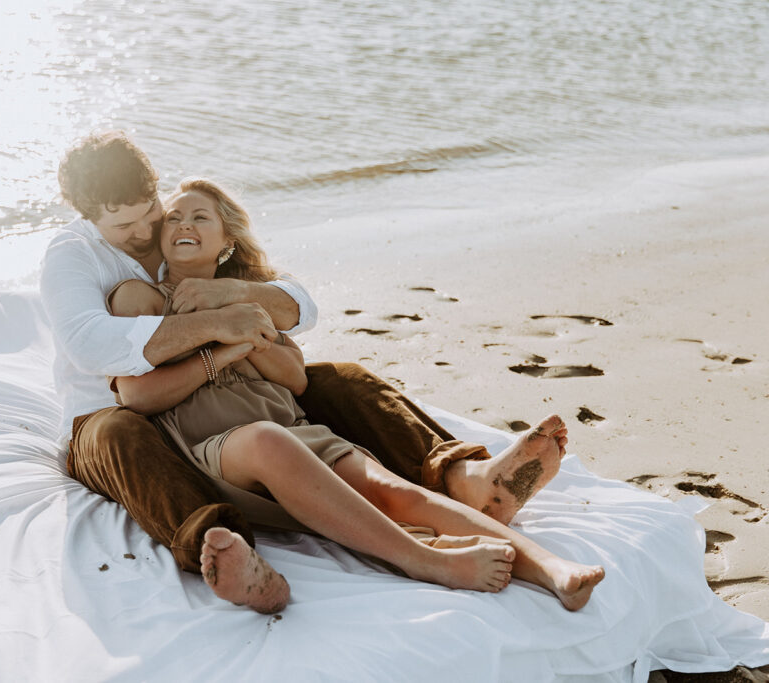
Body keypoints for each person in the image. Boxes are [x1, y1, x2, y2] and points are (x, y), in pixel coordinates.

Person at [39, 130, 593, 613]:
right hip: (112, 419)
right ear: (89, 216)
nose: (144, 232)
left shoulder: (178, 233)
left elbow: (297, 308)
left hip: (254, 403)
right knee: (128, 432)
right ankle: (223, 547)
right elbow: (95, 350)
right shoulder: (81, 259)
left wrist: (235, 299)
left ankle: (476, 494)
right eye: (124, 225)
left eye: (149, 214)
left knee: (343, 384)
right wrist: (224, 333)